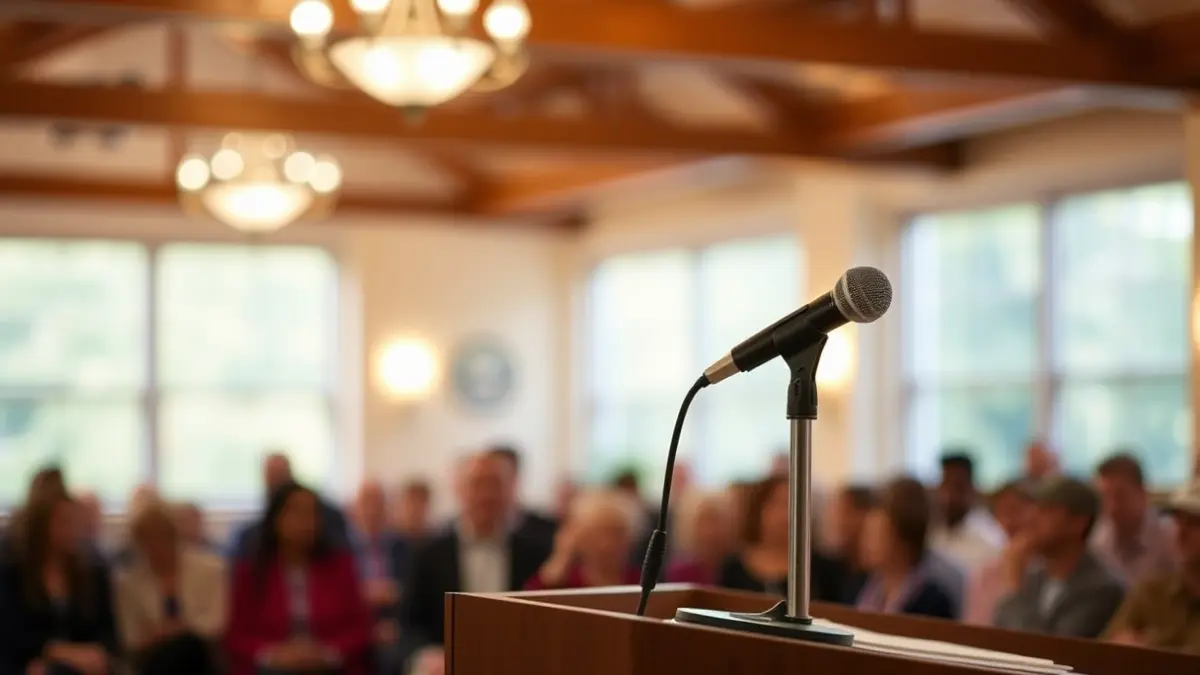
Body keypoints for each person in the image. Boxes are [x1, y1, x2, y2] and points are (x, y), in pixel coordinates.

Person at [399, 453, 550, 675]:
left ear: (511, 490)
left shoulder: (536, 554)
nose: (486, 495)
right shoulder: (428, 554)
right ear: (459, 490)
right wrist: (426, 655)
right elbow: (410, 625)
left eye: (495, 484)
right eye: (478, 484)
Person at [225, 482, 372, 675]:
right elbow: (236, 636)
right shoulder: (251, 570)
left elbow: (361, 629)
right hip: (271, 667)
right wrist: (273, 654)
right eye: (296, 512)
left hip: (328, 666)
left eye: (312, 514)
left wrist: (327, 653)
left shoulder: (340, 566)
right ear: (276, 519)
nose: (306, 522)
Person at [992, 476, 1124, 638]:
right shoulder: (1034, 578)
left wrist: (1014, 587)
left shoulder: (1102, 590)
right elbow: (1000, 636)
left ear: (1078, 523)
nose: (1031, 519)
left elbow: (1050, 651)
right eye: (1034, 508)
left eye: (1047, 510)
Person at [0, 493, 117, 675]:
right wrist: (53, 651)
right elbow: (12, 635)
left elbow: (107, 633)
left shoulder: (93, 574)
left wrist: (94, 653)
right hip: (31, 663)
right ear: (42, 527)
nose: (71, 530)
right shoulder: (15, 574)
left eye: (74, 521)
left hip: (85, 664)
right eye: (63, 521)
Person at [114, 498, 226, 675]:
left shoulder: (210, 569)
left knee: (187, 647)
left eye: (161, 536)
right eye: (147, 538)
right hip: (152, 656)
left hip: (200, 653)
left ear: (174, 534)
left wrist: (177, 629)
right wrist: (157, 636)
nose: (155, 545)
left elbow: (214, 623)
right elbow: (130, 639)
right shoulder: (129, 582)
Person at [1104, 478, 1200, 653]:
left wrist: (1148, 650)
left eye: (1195, 523)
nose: (1181, 532)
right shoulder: (1151, 593)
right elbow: (1105, 652)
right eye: (1178, 520)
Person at [716, 476, 844, 601]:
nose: (786, 515)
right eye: (778, 504)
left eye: (795, 505)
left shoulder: (825, 569)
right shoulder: (733, 567)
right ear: (758, 510)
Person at [856, 477, 957, 619]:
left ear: (902, 540)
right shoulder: (864, 586)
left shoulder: (933, 602)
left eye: (876, 535)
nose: (865, 543)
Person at [228, 453, 350, 559]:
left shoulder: (328, 516)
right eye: (271, 477)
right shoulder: (251, 539)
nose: (275, 483)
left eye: (280, 475)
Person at [525, 490, 641, 589]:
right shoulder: (565, 580)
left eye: (617, 534)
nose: (607, 544)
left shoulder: (640, 581)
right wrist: (561, 556)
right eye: (598, 534)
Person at [1090, 453, 1176, 585]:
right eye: (1104, 497)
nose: (1112, 507)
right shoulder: (1097, 542)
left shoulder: (1172, 541)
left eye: (1120, 496)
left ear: (1142, 493)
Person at [350, 481, 408, 671]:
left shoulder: (404, 546)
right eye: (367, 502)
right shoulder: (339, 549)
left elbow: (412, 593)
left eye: (378, 503)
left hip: (395, 628)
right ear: (354, 508)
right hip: (355, 628)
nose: (373, 510)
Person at [963, 480, 1033, 625]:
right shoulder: (986, 573)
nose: (1009, 521)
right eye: (1002, 512)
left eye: (1015, 510)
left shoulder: (1046, 571)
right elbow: (975, 627)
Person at [930, 452, 1004, 571]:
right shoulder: (934, 535)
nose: (949, 497)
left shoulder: (989, 541)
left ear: (971, 490)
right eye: (944, 485)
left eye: (957, 487)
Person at [485, 446, 558, 550]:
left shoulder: (548, 531)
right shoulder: (457, 536)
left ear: (515, 478)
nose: (487, 492)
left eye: (497, 480)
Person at [666, 491, 734, 585]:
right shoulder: (680, 572)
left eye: (715, 520)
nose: (710, 530)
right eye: (703, 520)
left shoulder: (736, 568)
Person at [824, 484, 875, 603]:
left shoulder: (876, 576)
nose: (837, 521)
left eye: (845, 512)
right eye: (835, 512)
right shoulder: (831, 567)